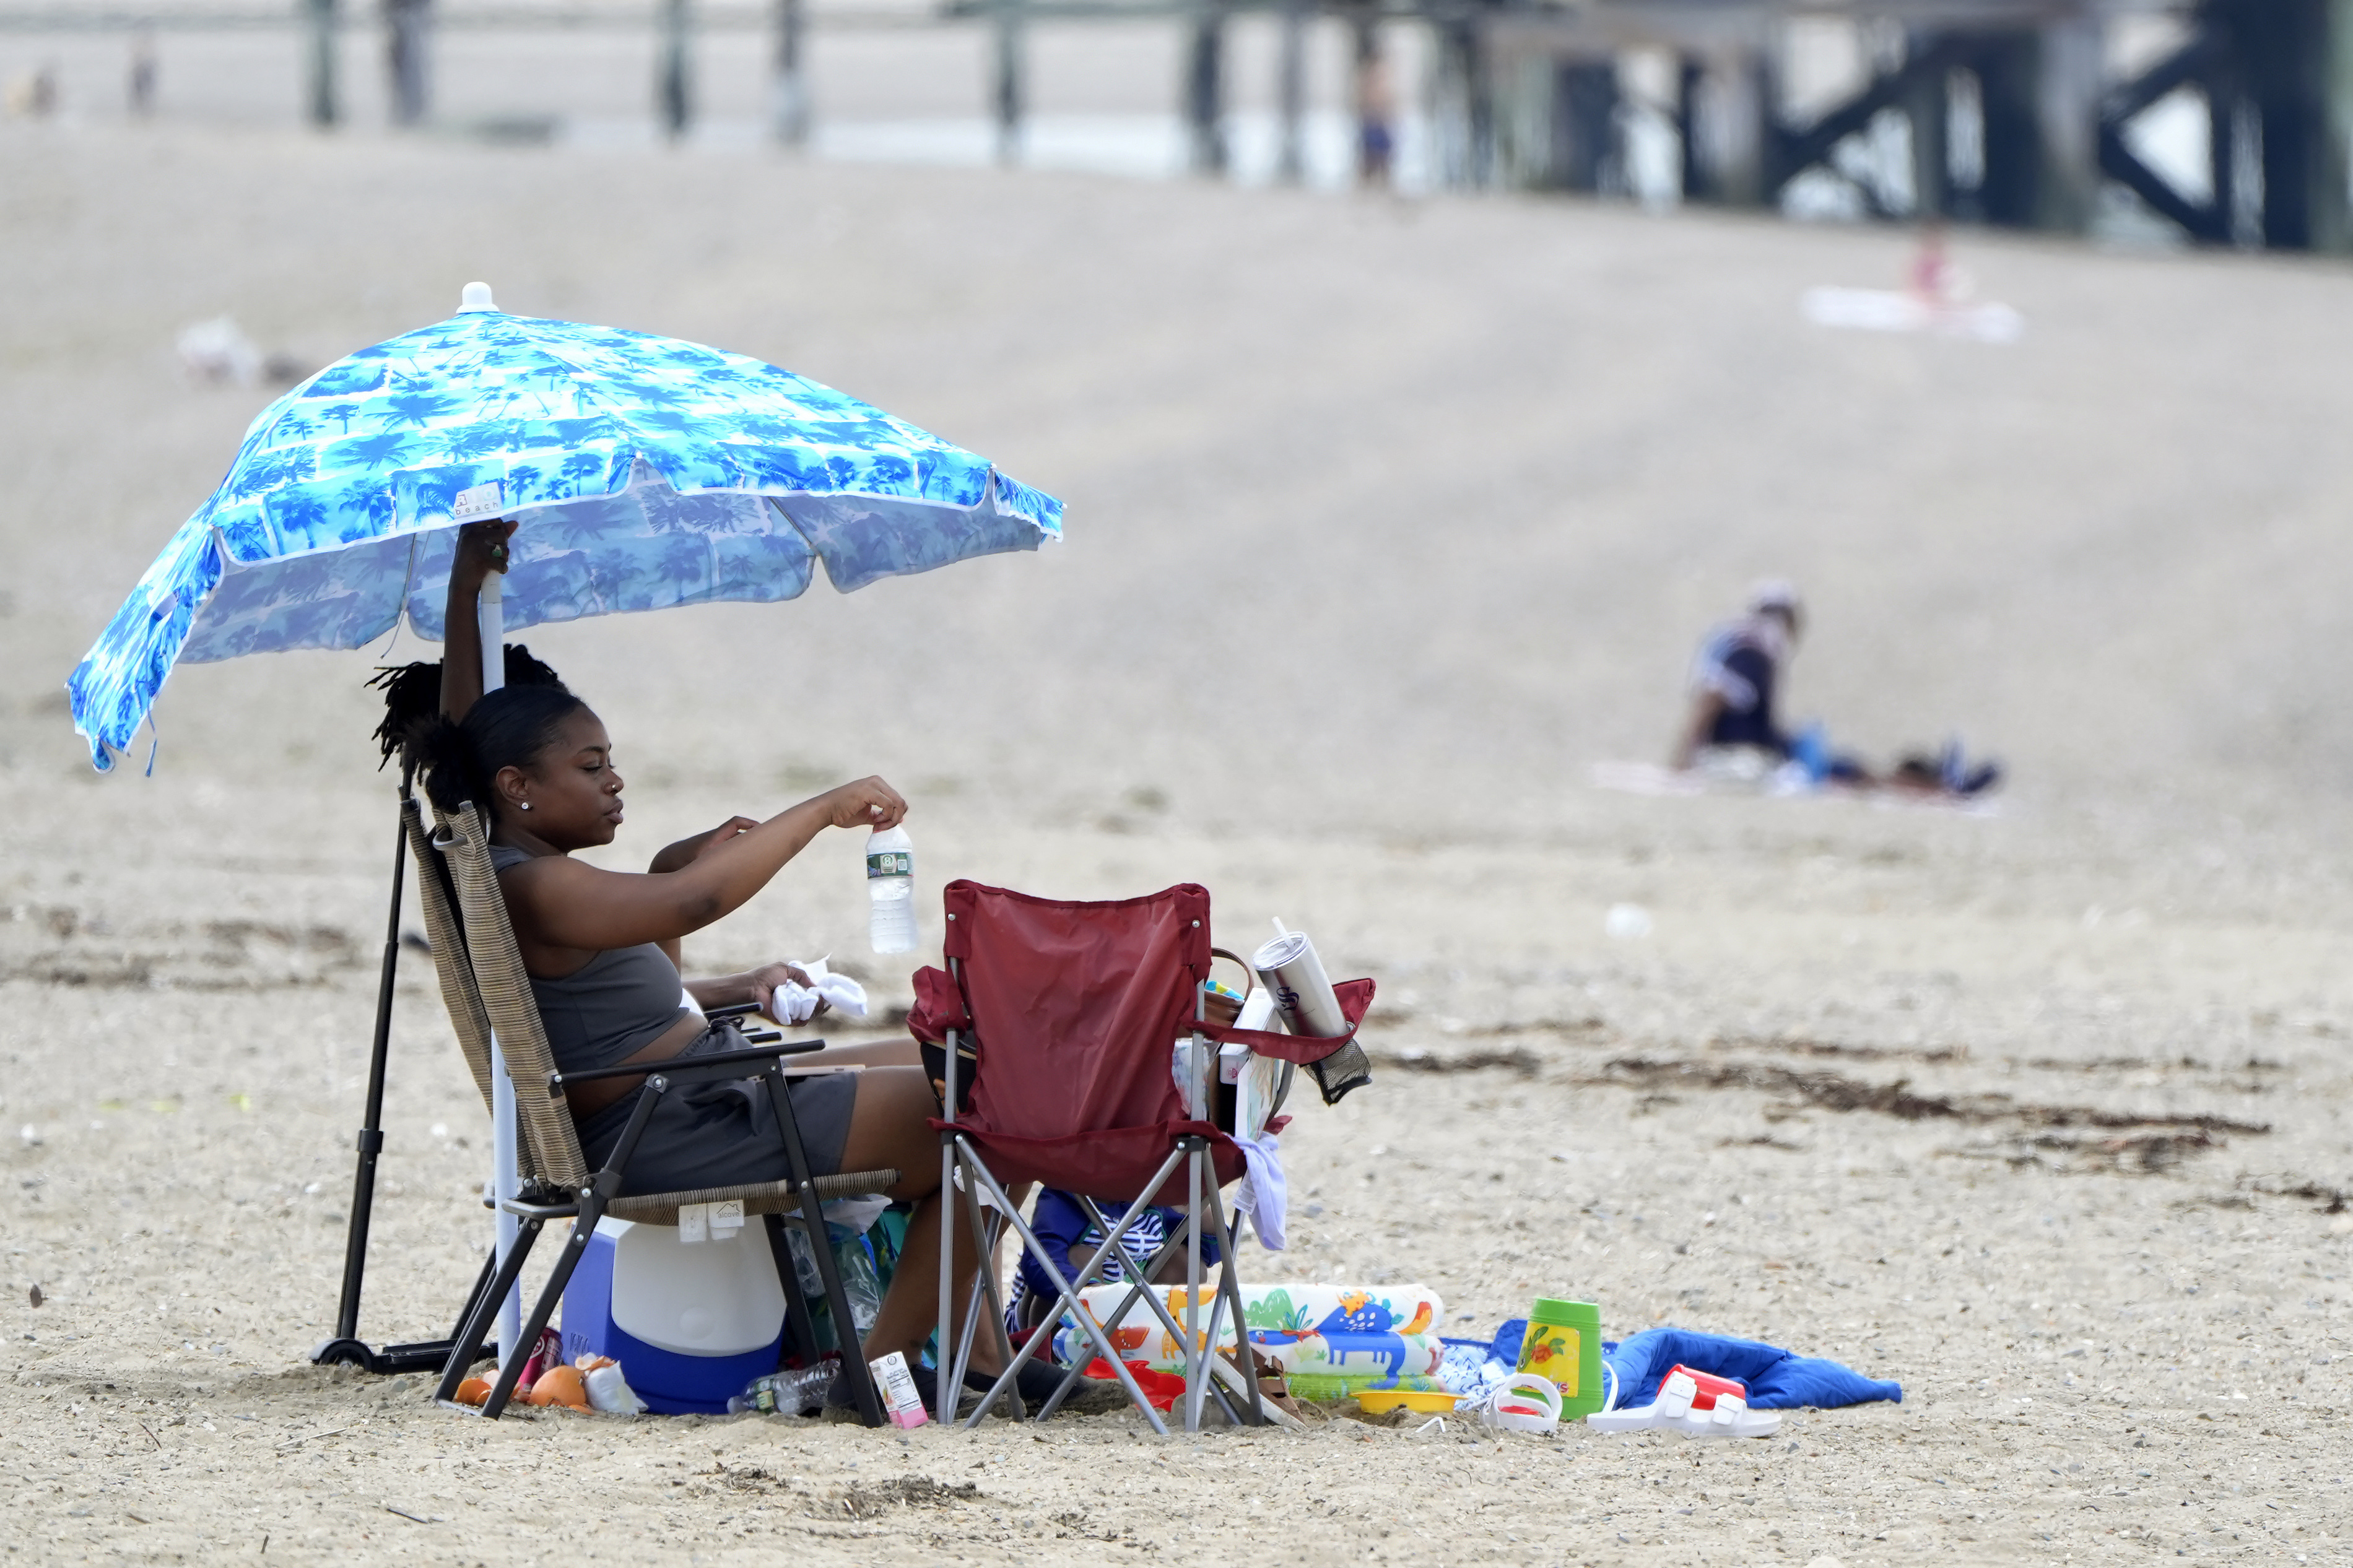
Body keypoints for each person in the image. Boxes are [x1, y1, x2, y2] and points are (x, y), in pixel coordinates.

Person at [415, 520, 1049, 1411]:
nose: (613, 782)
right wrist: (823, 810)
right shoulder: (540, 888)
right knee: (981, 1111)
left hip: (691, 1090)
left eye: (612, 764)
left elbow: (464, 742)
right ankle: (876, 1373)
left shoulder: (518, 864)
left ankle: (975, 1361)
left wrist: (469, 576)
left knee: (972, 1076)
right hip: (673, 1123)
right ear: (517, 785)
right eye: (590, 767)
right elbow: (694, 908)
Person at [1672, 579, 1806, 769]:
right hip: (1739, 759)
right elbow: (1712, 697)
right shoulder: (1752, 649)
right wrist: (1683, 756)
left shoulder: (1742, 643)